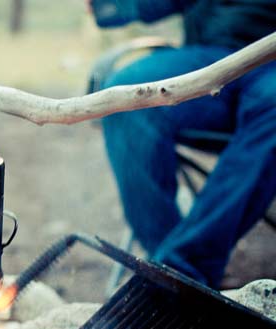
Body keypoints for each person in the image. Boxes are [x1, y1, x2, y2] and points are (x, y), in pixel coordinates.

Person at [87, 0, 276, 288]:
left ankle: (186, 268)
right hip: (211, 62)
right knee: (128, 96)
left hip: (270, 70)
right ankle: (164, 268)